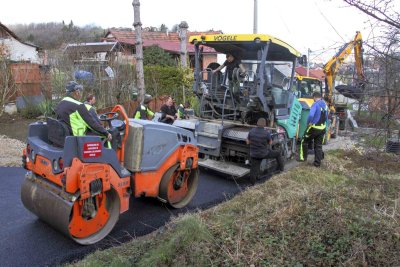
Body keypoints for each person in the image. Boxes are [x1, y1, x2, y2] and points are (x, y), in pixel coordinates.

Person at [246, 118, 285, 185]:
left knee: (253, 169)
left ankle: (252, 184)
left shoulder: (251, 131)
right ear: (264, 125)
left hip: (253, 154)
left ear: (257, 123)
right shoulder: (266, 133)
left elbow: (247, 142)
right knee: (278, 153)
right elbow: (270, 143)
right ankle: (281, 169)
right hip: (263, 154)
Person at [299, 91, 328, 167]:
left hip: (314, 127)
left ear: (314, 97)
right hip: (322, 128)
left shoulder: (315, 104)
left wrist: (309, 122)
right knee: (318, 145)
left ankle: (303, 158)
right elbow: (326, 116)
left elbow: (311, 115)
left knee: (304, 140)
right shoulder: (325, 104)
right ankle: (317, 163)